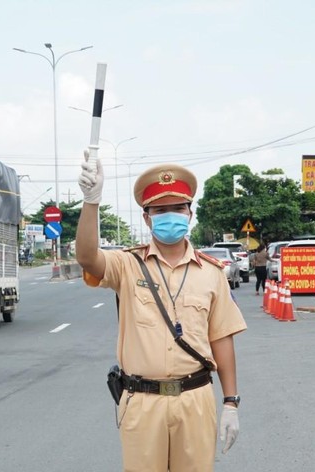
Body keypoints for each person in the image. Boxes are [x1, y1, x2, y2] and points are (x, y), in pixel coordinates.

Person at [76, 154, 247, 471]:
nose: (170, 216)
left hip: (195, 399)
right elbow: (87, 258)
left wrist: (231, 403)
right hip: (142, 401)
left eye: (178, 208)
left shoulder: (211, 273)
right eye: (160, 210)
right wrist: (91, 202)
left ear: (190, 213)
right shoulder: (127, 265)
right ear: (147, 218)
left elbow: (222, 338)